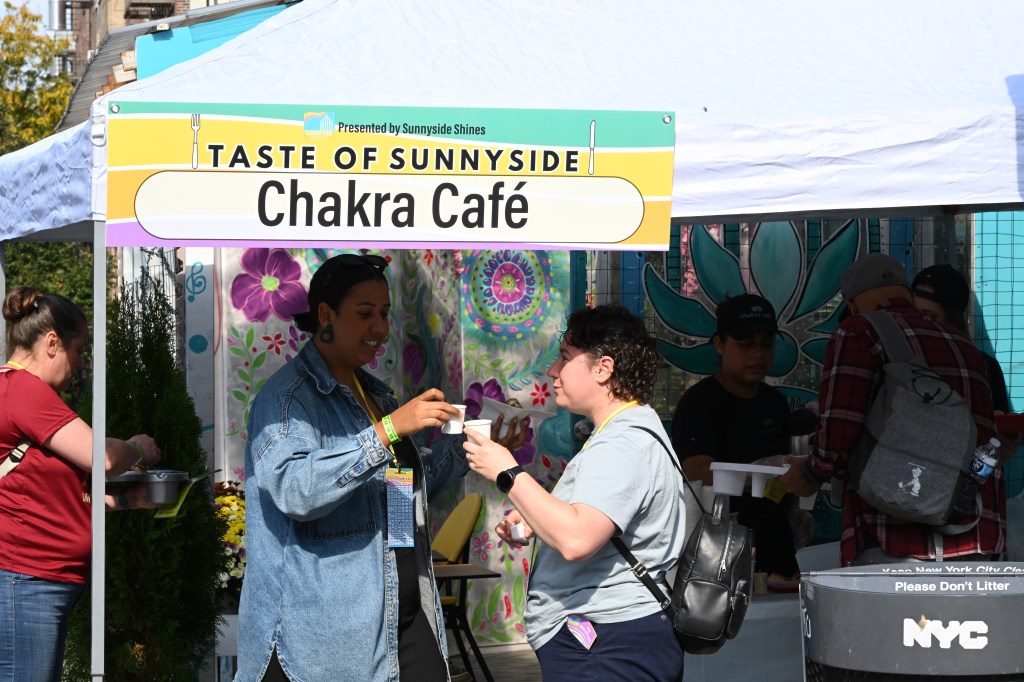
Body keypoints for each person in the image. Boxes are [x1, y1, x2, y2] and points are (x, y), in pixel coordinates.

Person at [237, 253, 488, 682]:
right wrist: (388, 430)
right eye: (365, 313)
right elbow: (296, 490)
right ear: (325, 314)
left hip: (402, 618)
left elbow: (400, 484)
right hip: (330, 640)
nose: (379, 327)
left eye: (385, 314)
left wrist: (474, 447)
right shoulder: (286, 400)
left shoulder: (374, 393)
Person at [464, 304, 686, 682]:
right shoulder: (625, 431)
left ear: (604, 368)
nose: (552, 371)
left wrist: (508, 472)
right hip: (613, 640)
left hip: (607, 645)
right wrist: (538, 517)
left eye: (565, 357)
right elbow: (590, 522)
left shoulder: (623, 442)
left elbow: (577, 538)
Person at [780, 254, 1004, 565]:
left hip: (893, 539)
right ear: (906, 295)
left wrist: (810, 473)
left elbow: (839, 430)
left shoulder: (858, 331)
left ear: (854, 304)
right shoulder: (964, 346)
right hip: (974, 533)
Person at [0, 286, 162, 681]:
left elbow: (49, 492)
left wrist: (126, 502)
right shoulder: (23, 391)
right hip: (27, 580)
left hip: (36, 581)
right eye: (78, 350)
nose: (78, 363)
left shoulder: (23, 392)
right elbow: (102, 457)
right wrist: (138, 448)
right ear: (52, 342)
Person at [670, 293, 799, 582]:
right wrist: (758, 475)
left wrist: (792, 501)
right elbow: (696, 471)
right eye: (745, 345)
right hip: (717, 551)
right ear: (719, 344)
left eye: (766, 344)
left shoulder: (775, 403)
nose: (757, 354)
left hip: (775, 544)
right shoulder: (699, 403)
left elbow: (781, 476)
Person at [911, 263, 1010, 412]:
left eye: (930, 317)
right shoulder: (899, 357)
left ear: (953, 319)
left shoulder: (986, 368)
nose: (919, 323)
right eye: (914, 314)